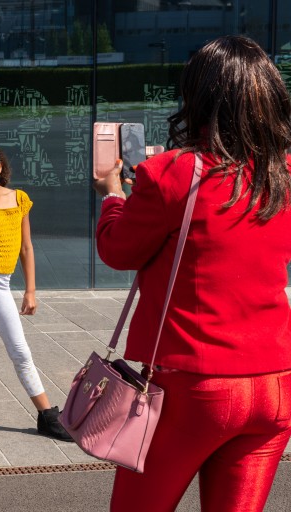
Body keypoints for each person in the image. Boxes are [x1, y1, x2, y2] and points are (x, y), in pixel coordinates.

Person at [94, 35, 291, 511]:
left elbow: (118, 250)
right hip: (277, 383)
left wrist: (112, 194)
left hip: (194, 384)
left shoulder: (170, 173)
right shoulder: (282, 171)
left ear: (197, 95)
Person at [0, 142, 73, 452]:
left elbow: (26, 248)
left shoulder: (19, 199)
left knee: (20, 350)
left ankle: (47, 416)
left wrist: (31, 291)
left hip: (2, 282)